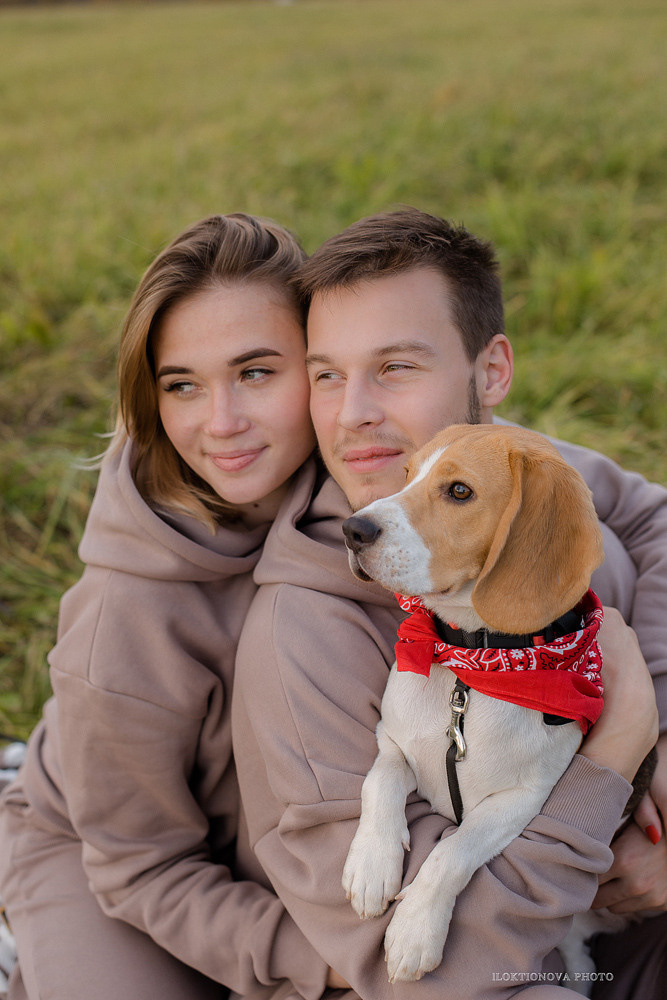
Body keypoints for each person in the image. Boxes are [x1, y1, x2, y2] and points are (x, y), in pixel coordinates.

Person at [231, 209, 667, 999]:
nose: (353, 410)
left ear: (491, 373)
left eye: (394, 366)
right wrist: (614, 759)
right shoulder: (299, 640)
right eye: (326, 374)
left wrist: (658, 720)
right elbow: (446, 966)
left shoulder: (515, 468)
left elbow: (650, 512)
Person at [0, 212, 342, 1000]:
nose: (219, 424)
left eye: (256, 372)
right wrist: (312, 959)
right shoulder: (123, 614)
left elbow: (635, 511)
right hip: (103, 846)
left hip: (252, 841)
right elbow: (136, 864)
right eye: (181, 385)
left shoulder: (371, 459)